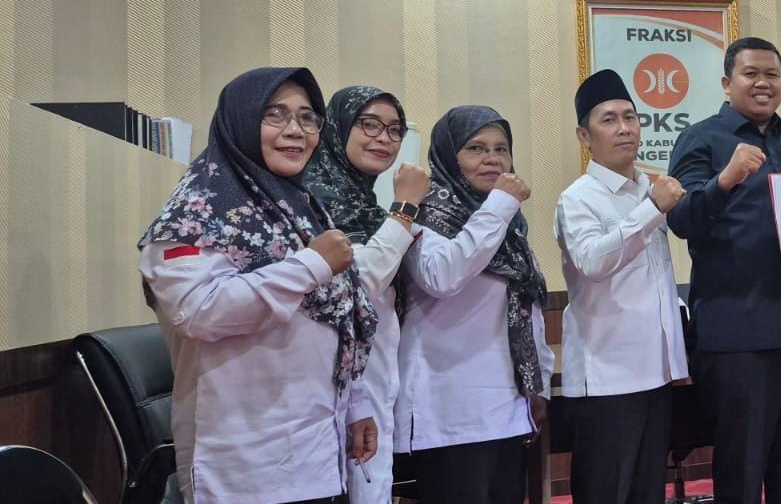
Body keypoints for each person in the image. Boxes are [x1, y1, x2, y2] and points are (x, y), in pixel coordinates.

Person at [137, 67, 379, 504]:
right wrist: (310, 264)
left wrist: (357, 403)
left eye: (308, 118)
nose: (296, 131)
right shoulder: (196, 212)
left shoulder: (300, 205)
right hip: (246, 464)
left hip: (318, 444)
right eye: (275, 114)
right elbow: (197, 310)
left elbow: (339, 315)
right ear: (242, 121)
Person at [666, 36, 781, 504]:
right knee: (741, 472)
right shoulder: (701, 138)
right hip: (739, 335)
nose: (763, 83)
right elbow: (680, 221)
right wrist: (725, 180)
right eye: (750, 74)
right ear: (727, 83)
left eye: (772, 75)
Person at [397, 105, 555, 504]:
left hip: (505, 406)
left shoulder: (508, 225)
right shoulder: (424, 215)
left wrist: (539, 387)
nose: (492, 158)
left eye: (501, 149)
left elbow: (527, 309)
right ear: (450, 157)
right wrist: (500, 205)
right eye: (476, 148)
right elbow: (442, 276)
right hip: (451, 411)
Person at [554, 70, 690, 504]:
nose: (625, 128)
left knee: (647, 492)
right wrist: (652, 209)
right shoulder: (578, 197)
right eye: (609, 119)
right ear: (584, 134)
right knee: (606, 493)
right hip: (608, 378)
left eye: (631, 117)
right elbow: (593, 262)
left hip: (656, 372)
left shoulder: (648, 188)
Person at [303, 85, 431, 504]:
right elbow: (359, 280)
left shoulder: (365, 204)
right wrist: (406, 209)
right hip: (326, 386)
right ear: (337, 128)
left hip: (366, 385)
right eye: (369, 124)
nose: (383, 138)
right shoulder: (313, 198)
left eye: (394, 130)